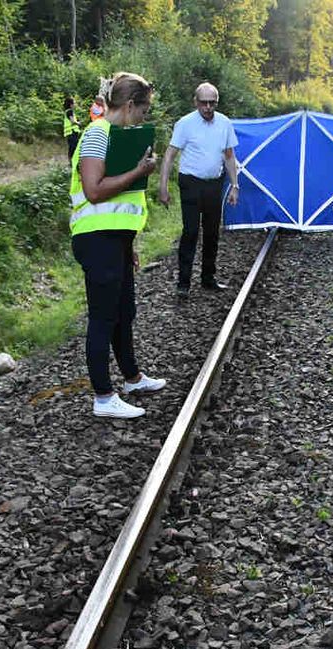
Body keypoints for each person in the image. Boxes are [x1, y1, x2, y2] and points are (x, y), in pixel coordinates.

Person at [70, 72, 167, 419]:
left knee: (124, 312)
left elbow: (119, 201)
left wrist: (130, 244)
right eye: (143, 111)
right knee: (102, 318)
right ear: (128, 106)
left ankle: (132, 378)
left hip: (116, 240)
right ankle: (103, 397)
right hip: (97, 240)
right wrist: (138, 171)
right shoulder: (97, 134)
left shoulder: (115, 135)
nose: (143, 118)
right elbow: (94, 189)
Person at [157, 82, 240, 298]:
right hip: (191, 183)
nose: (208, 107)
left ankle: (208, 278)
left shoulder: (224, 123)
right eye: (204, 103)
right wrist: (163, 186)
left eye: (212, 103)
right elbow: (169, 155)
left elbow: (229, 156)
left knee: (212, 232)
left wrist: (234, 185)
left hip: (214, 183)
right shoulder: (185, 124)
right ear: (196, 102)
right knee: (191, 231)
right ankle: (183, 283)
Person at [63, 96, 82, 161]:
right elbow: (72, 121)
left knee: (72, 147)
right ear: (71, 105)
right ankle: (71, 160)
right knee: (73, 147)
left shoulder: (69, 111)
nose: (75, 104)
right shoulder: (69, 111)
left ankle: (72, 160)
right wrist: (78, 123)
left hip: (71, 132)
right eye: (74, 103)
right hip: (72, 132)